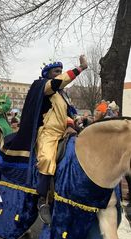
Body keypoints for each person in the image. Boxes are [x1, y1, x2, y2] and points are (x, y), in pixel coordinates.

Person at [30, 56, 88, 224]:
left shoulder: (63, 95)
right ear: (48, 74)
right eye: (56, 72)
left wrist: (77, 120)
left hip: (66, 132)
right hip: (48, 132)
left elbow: (70, 113)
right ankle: (42, 200)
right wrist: (80, 68)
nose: (59, 74)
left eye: (60, 72)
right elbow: (58, 82)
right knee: (47, 159)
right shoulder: (46, 86)